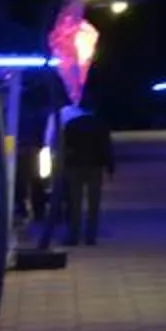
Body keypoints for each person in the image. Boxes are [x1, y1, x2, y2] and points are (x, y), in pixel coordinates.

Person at [42, 99, 114, 248]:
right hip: (95, 166)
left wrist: (61, 166)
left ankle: (73, 235)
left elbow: (63, 146)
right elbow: (106, 147)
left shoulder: (71, 125)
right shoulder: (100, 124)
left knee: (75, 202)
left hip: (73, 167)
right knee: (94, 202)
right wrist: (110, 166)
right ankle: (91, 236)